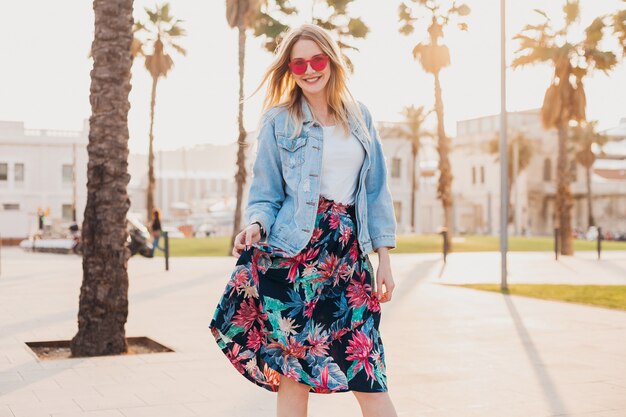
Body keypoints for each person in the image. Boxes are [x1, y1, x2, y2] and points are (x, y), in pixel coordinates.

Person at [209, 23, 398, 417]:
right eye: (299, 64)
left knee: (368, 367)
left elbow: (377, 191)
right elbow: (266, 193)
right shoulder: (280, 120)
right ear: (289, 70)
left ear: (331, 61)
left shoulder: (360, 116)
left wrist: (385, 260)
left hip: (348, 260)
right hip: (294, 257)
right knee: (294, 370)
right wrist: (256, 225)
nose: (310, 70)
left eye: (317, 59)